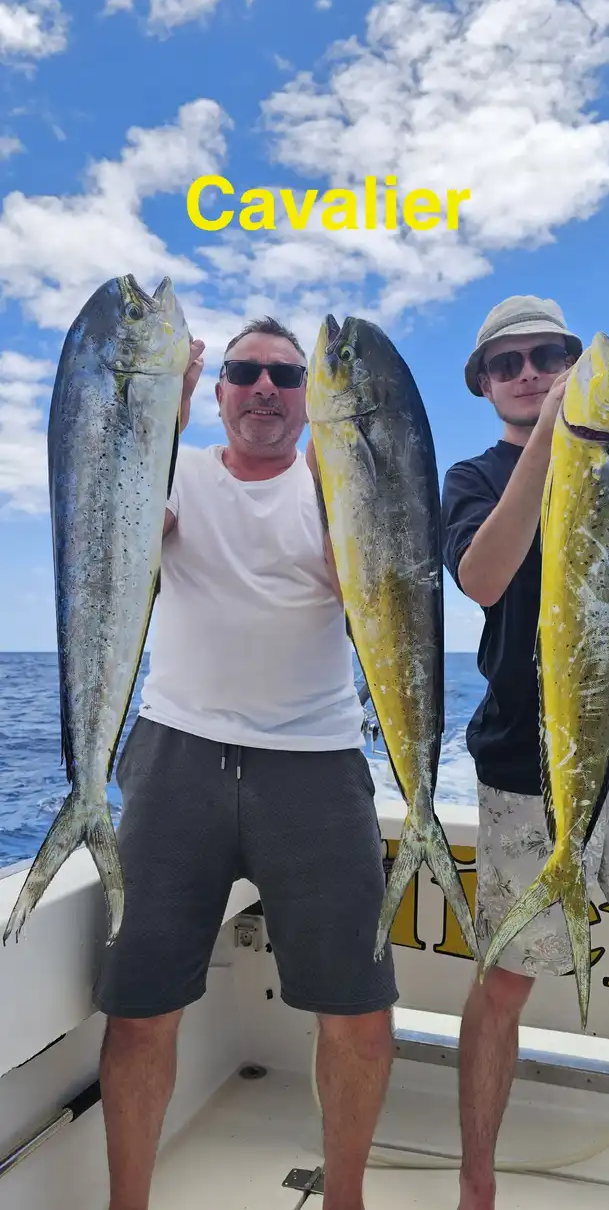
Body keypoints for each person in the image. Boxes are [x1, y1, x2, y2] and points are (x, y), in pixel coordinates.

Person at [92, 317, 398, 1210]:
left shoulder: (331, 483)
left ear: (311, 397)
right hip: (175, 758)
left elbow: (367, 592)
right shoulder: (177, 472)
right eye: (245, 371)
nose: (265, 388)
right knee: (140, 1007)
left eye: (287, 376)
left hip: (316, 763)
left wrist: (336, 474)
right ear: (219, 387)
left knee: (357, 1008)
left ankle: (345, 1199)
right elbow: (119, 547)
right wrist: (164, 415)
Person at [441, 295, 609, 1210]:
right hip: (527, 771)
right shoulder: (473, 478)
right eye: (506, 363)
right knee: (506, 981)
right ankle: (476, 1184)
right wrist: (555, 445)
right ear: (484, 384)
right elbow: (483, 576)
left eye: (546, 356)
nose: (528, 374)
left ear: (568, 363)